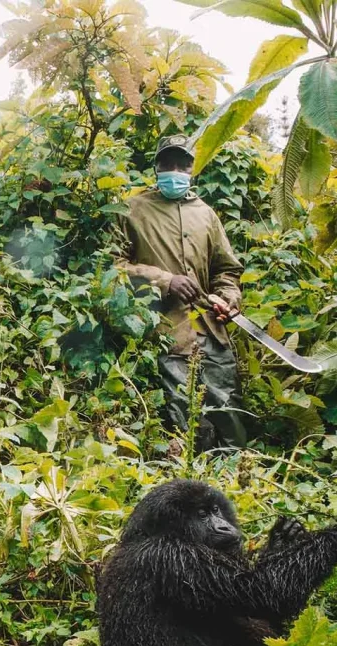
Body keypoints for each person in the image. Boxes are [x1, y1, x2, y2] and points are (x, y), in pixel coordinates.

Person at [117, 134, 246, 452]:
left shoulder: (206, 214)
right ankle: (188, 489)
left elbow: (226, 270)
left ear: (192, 169)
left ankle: (240, 479)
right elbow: (113, 266)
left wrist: (228, 299)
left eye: (182, 164)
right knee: (181, 424)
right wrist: (164, 280)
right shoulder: (132, 210)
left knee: (231, 414)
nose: (175, 170)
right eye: (167, 164)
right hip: (166, 334)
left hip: (211, 332)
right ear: (157, 167)